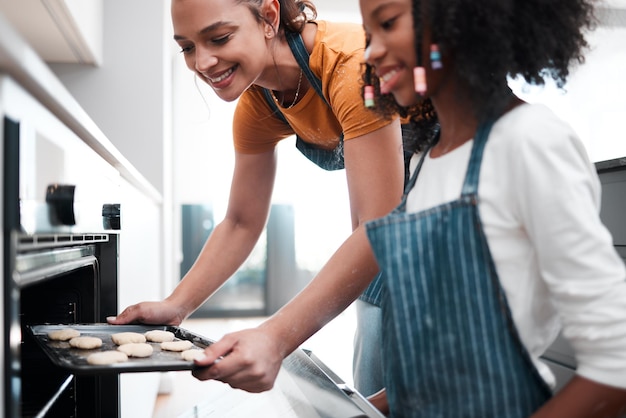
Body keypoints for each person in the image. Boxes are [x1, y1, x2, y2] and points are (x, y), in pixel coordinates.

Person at [108, 0, 405, 396]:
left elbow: (375, 227)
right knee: (384, 382)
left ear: (269, 17)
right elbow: (241, 221)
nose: (203, 62)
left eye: (219, 37)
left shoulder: (349, 67)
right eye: (187, 47)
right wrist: (177, 304)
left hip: (459, 209)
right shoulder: (259, 102)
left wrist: (276, 337)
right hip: (390, 232)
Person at [359, 0, 626, 416]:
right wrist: (364, 407)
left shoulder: (530, 140)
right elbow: (447, 358)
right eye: (367, 34)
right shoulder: (425, 161)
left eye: (387, 23)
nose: (369, 52)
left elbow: (617, 360)